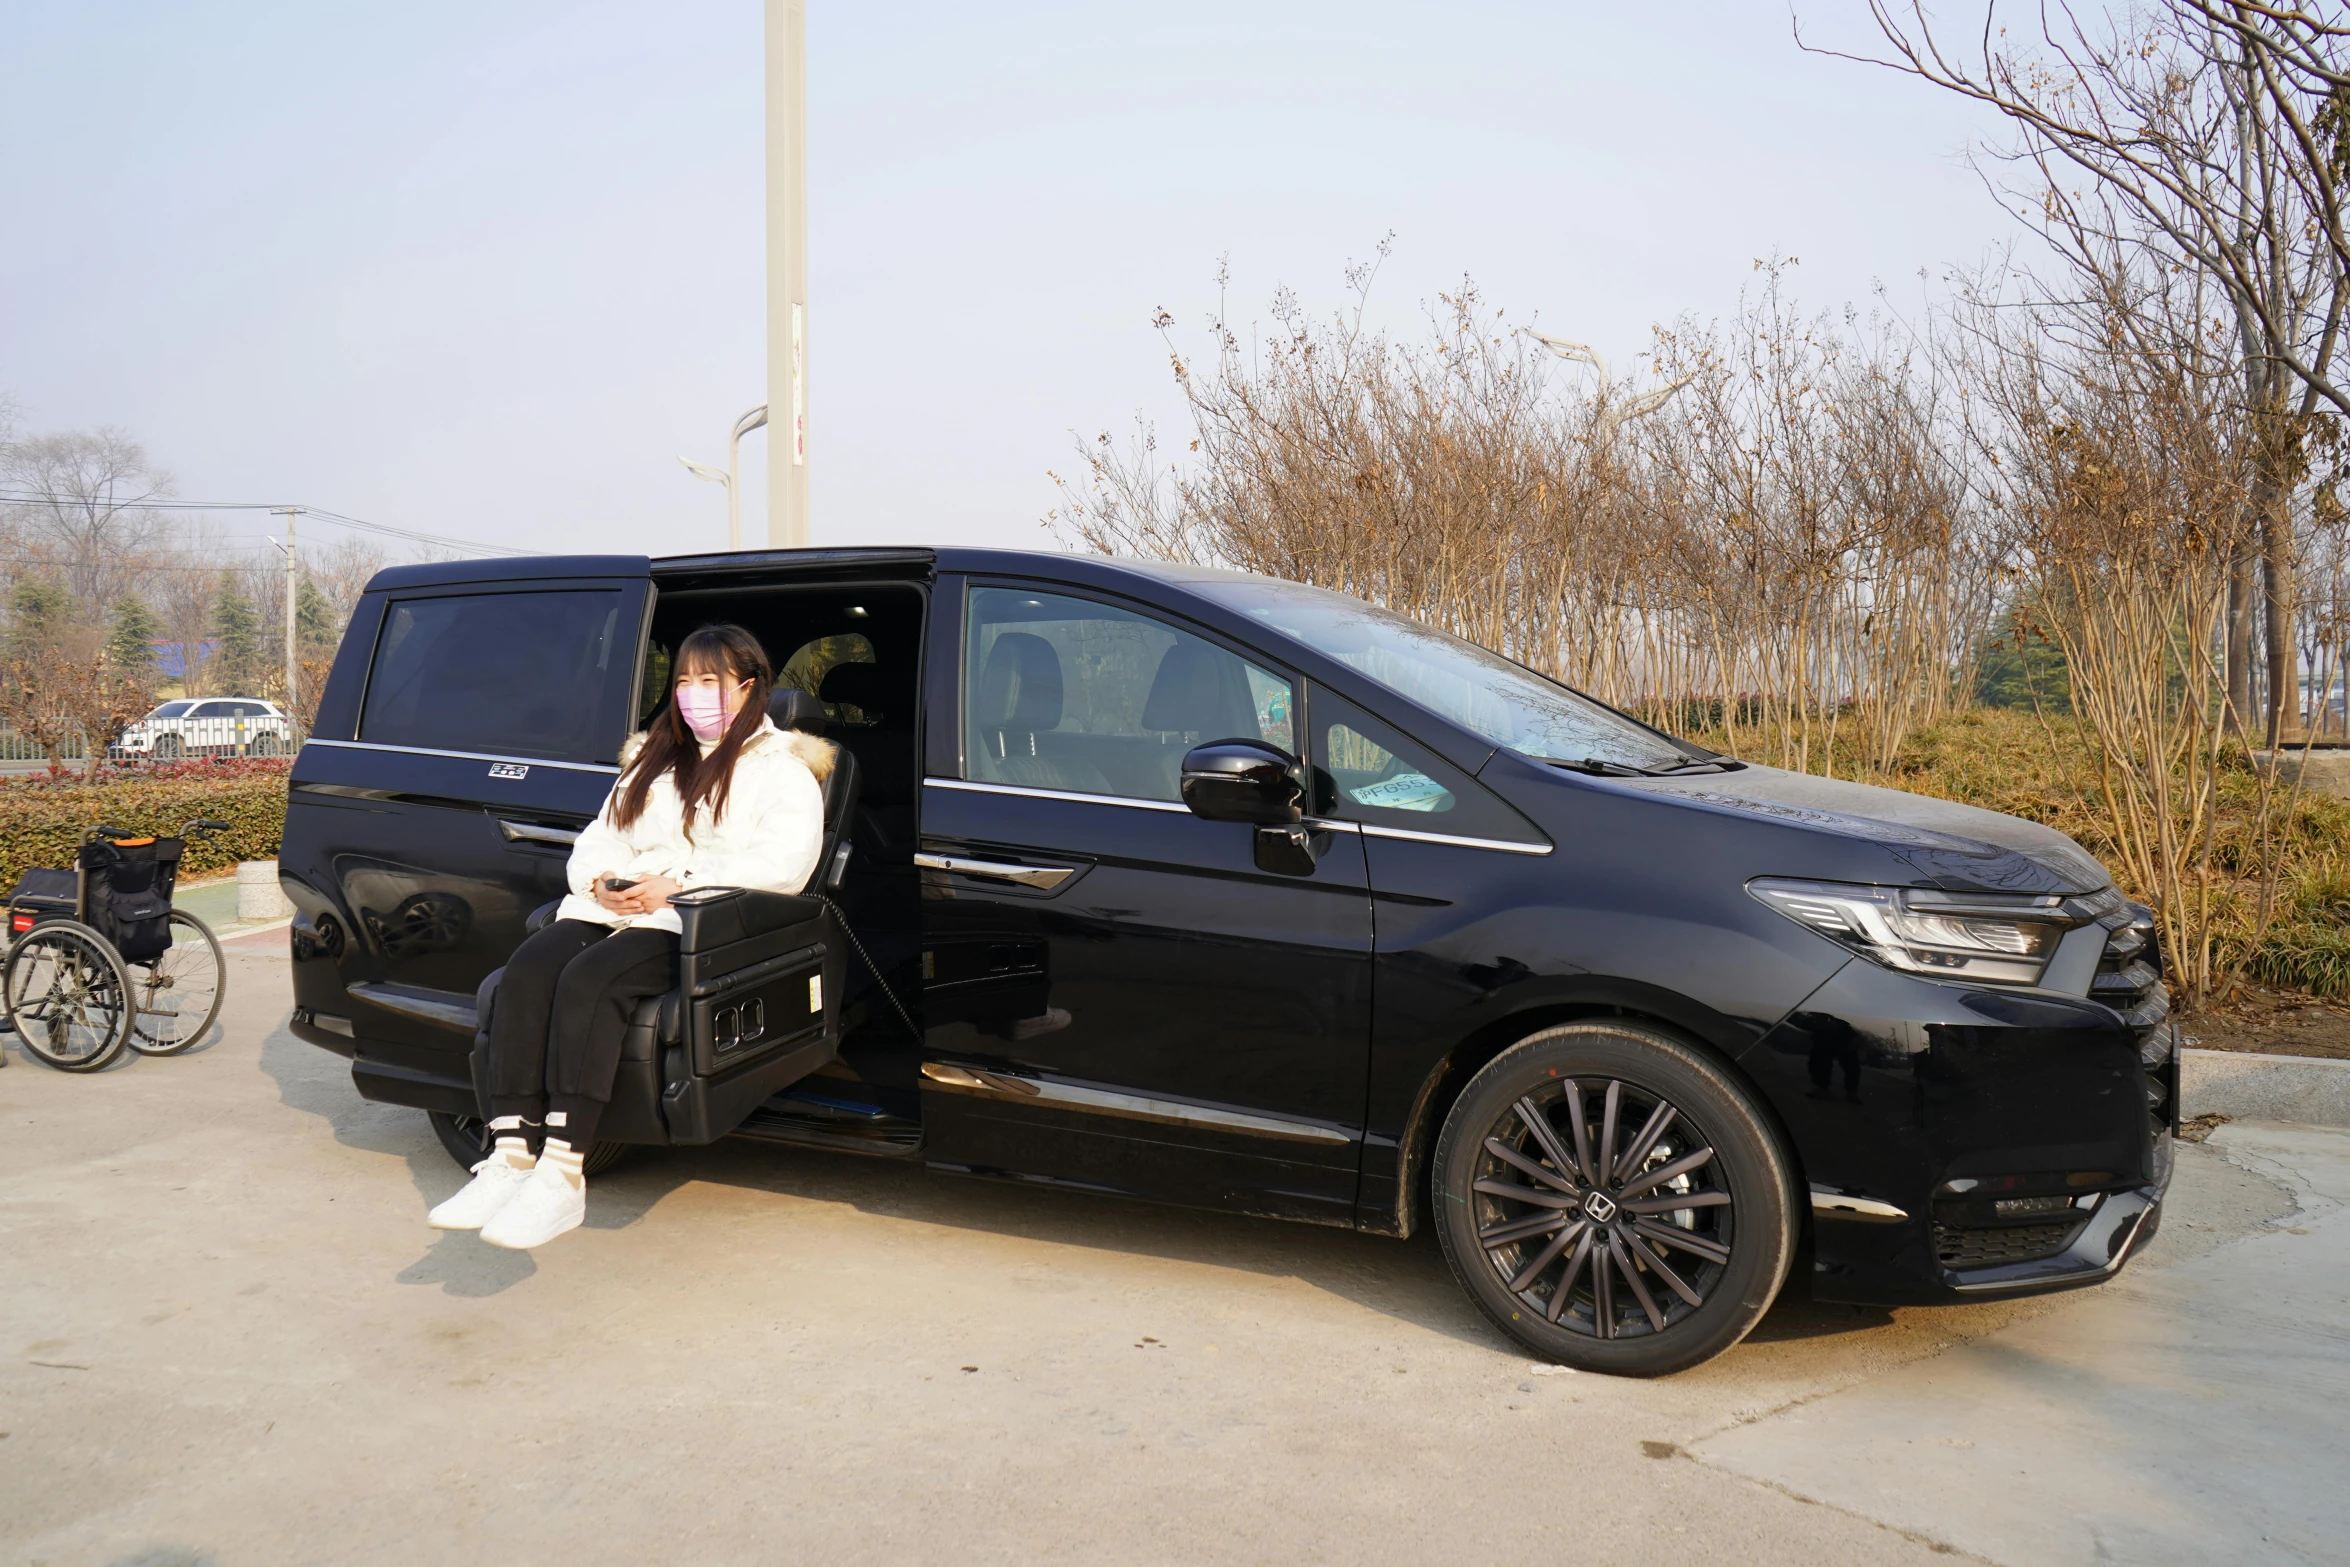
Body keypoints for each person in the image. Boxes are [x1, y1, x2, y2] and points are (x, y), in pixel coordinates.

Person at [427, 623, 831, 1249]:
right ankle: (509, 1156)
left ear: (748, 688)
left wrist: (678, 887)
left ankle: (562, 1172)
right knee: (527, 972)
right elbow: (601, 837)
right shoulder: (653, 761)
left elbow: (782, 866)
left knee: (592, 980)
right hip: (612, 909)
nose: (693, 694)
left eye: (710, 681)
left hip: (694, 922)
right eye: (684, 682)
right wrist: (603, 882)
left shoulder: (783, 772)